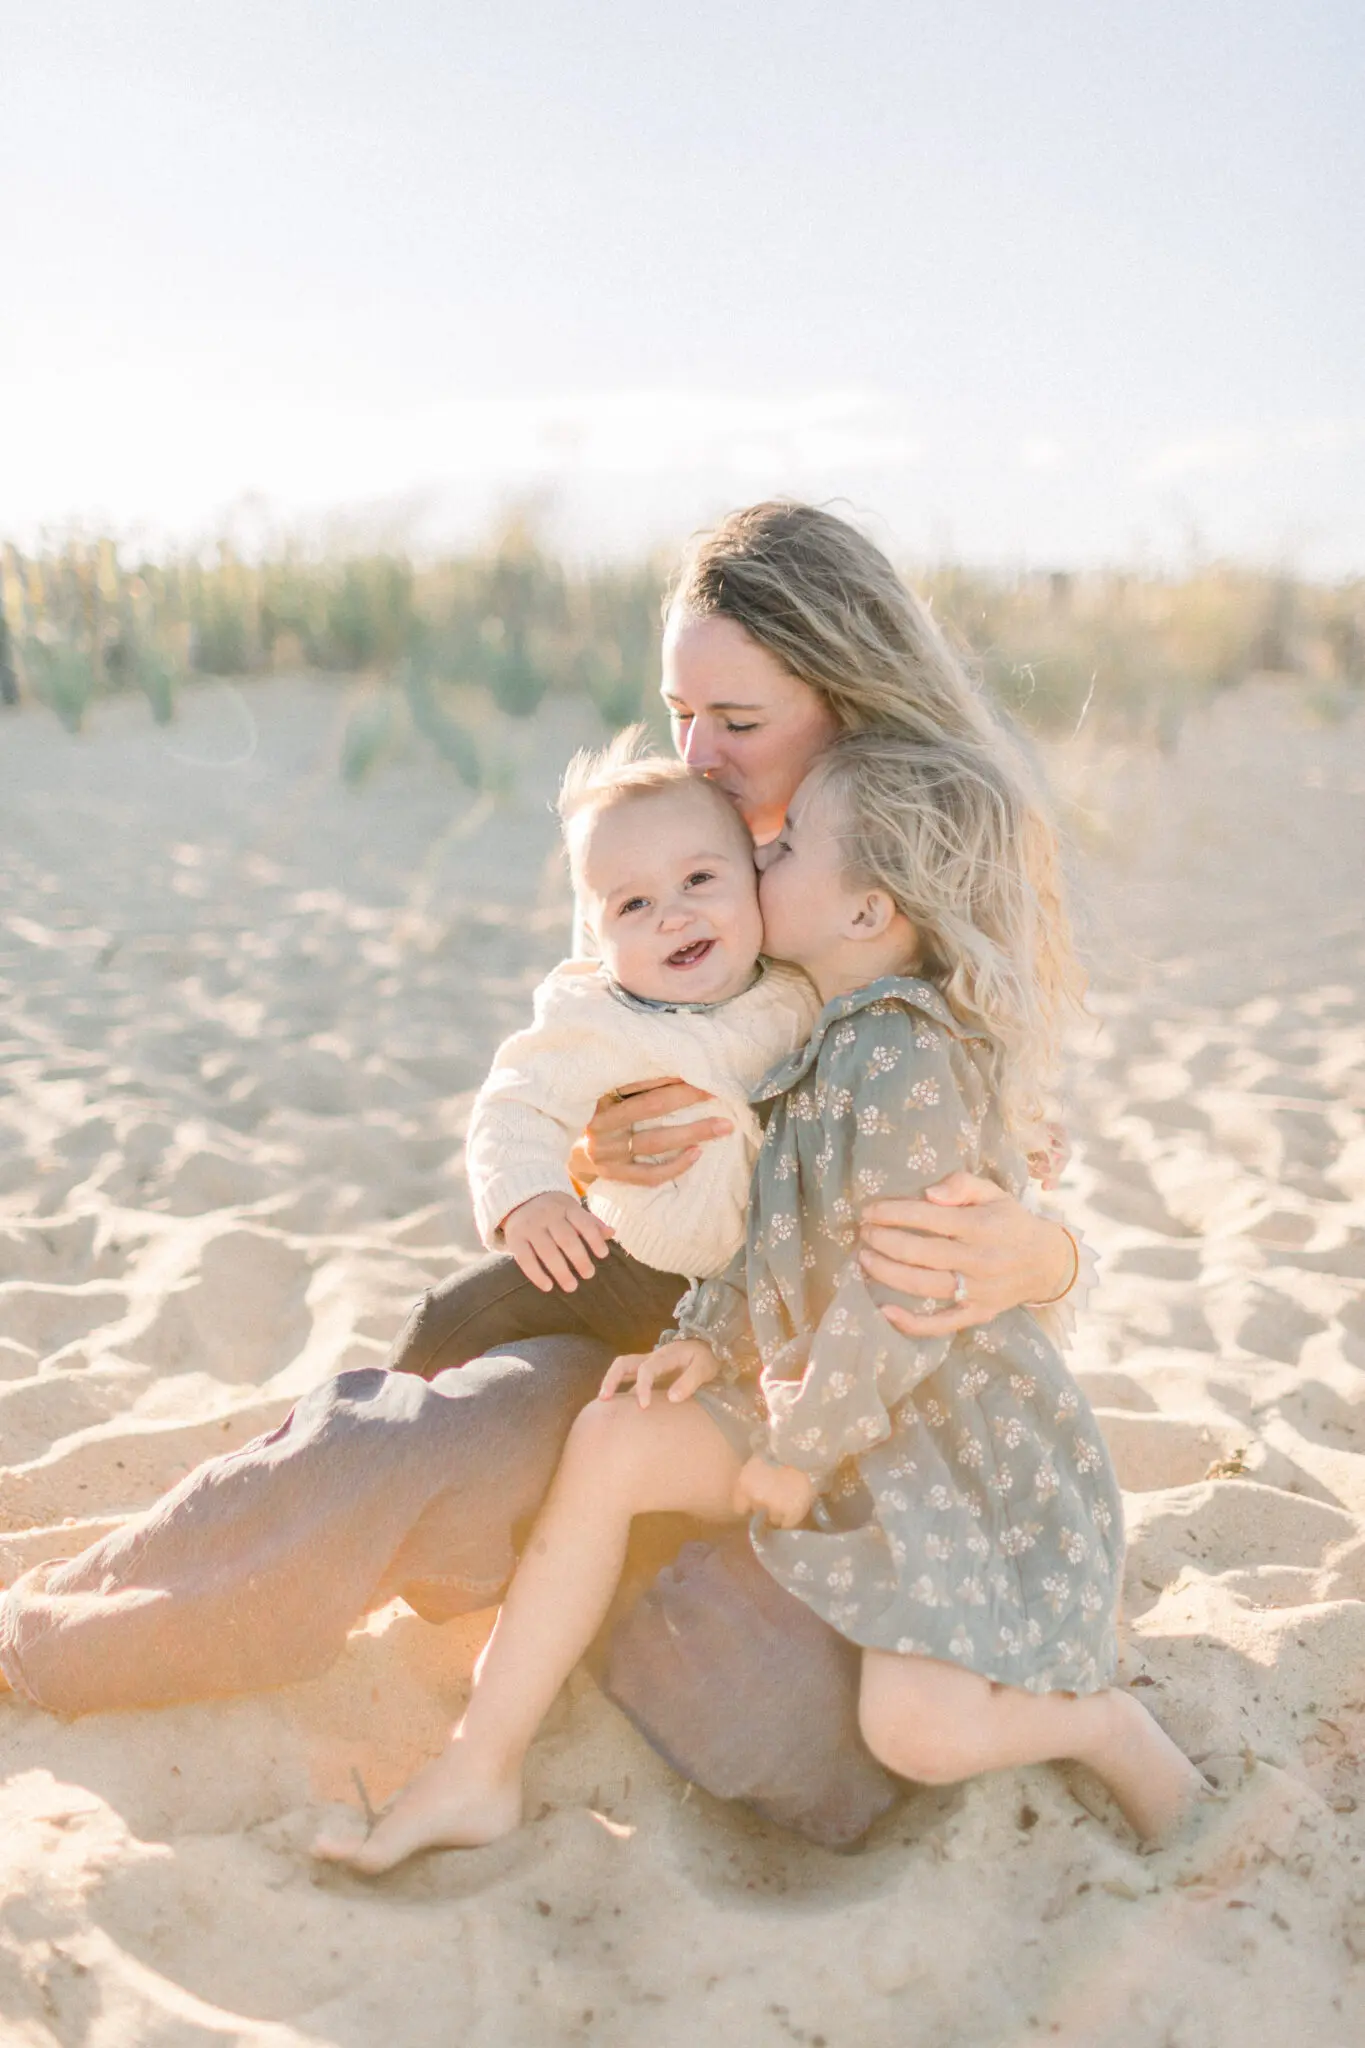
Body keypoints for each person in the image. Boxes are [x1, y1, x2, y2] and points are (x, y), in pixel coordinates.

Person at [0, 504, 1086, 1846]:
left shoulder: (914, 860)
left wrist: (1047, 1253)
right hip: (641, 1329)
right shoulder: (680, 843)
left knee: (797, 1743)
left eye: (736, 720)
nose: (698, 754)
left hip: (839, 1420)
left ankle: (558, 1583)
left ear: (847, 698)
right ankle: (45, 1642)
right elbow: (567, 1056)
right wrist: (583, 1157)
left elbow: (1019, 1167)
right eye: (679, 708)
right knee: (406, 1454)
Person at [313, 731, 1203, 1873]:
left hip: (927, 1434)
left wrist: (801, 1446)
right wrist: (701, 1336)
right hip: (807, 1389)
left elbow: (898, 1288)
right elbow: (784, 1228)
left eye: (779, 850)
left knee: (916, 1727)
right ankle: (478, 1763)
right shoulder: (815, 1029)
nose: (754, 856)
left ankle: (1106, 1724)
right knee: (616, 1438)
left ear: (868, 910)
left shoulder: (895, 1061)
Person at [426, 730, 819, 1365]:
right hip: (626, 1264)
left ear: (754, 872)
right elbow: (517, 1105)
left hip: (756, 1296)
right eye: (634, 904)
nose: (673, 915)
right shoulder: (598, 1016)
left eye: (699, 878)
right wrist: (532, 1197)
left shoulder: (800, 991)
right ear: (594, 933)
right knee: (455, 1316)